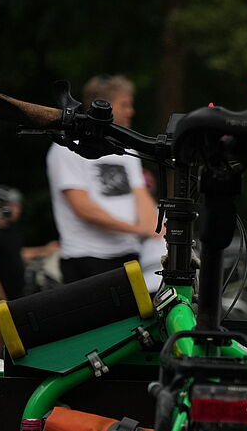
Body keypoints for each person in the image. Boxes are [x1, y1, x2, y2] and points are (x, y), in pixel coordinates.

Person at [45, 75, 162, 283]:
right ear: (103, 106)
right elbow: (83, 207)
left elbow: (140, 194)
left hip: (130, 256)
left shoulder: (126, 147)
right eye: (125, 104)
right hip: (86, 257)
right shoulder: (67, 148)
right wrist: (138, 229)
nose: (131, 111)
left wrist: (154, 226)